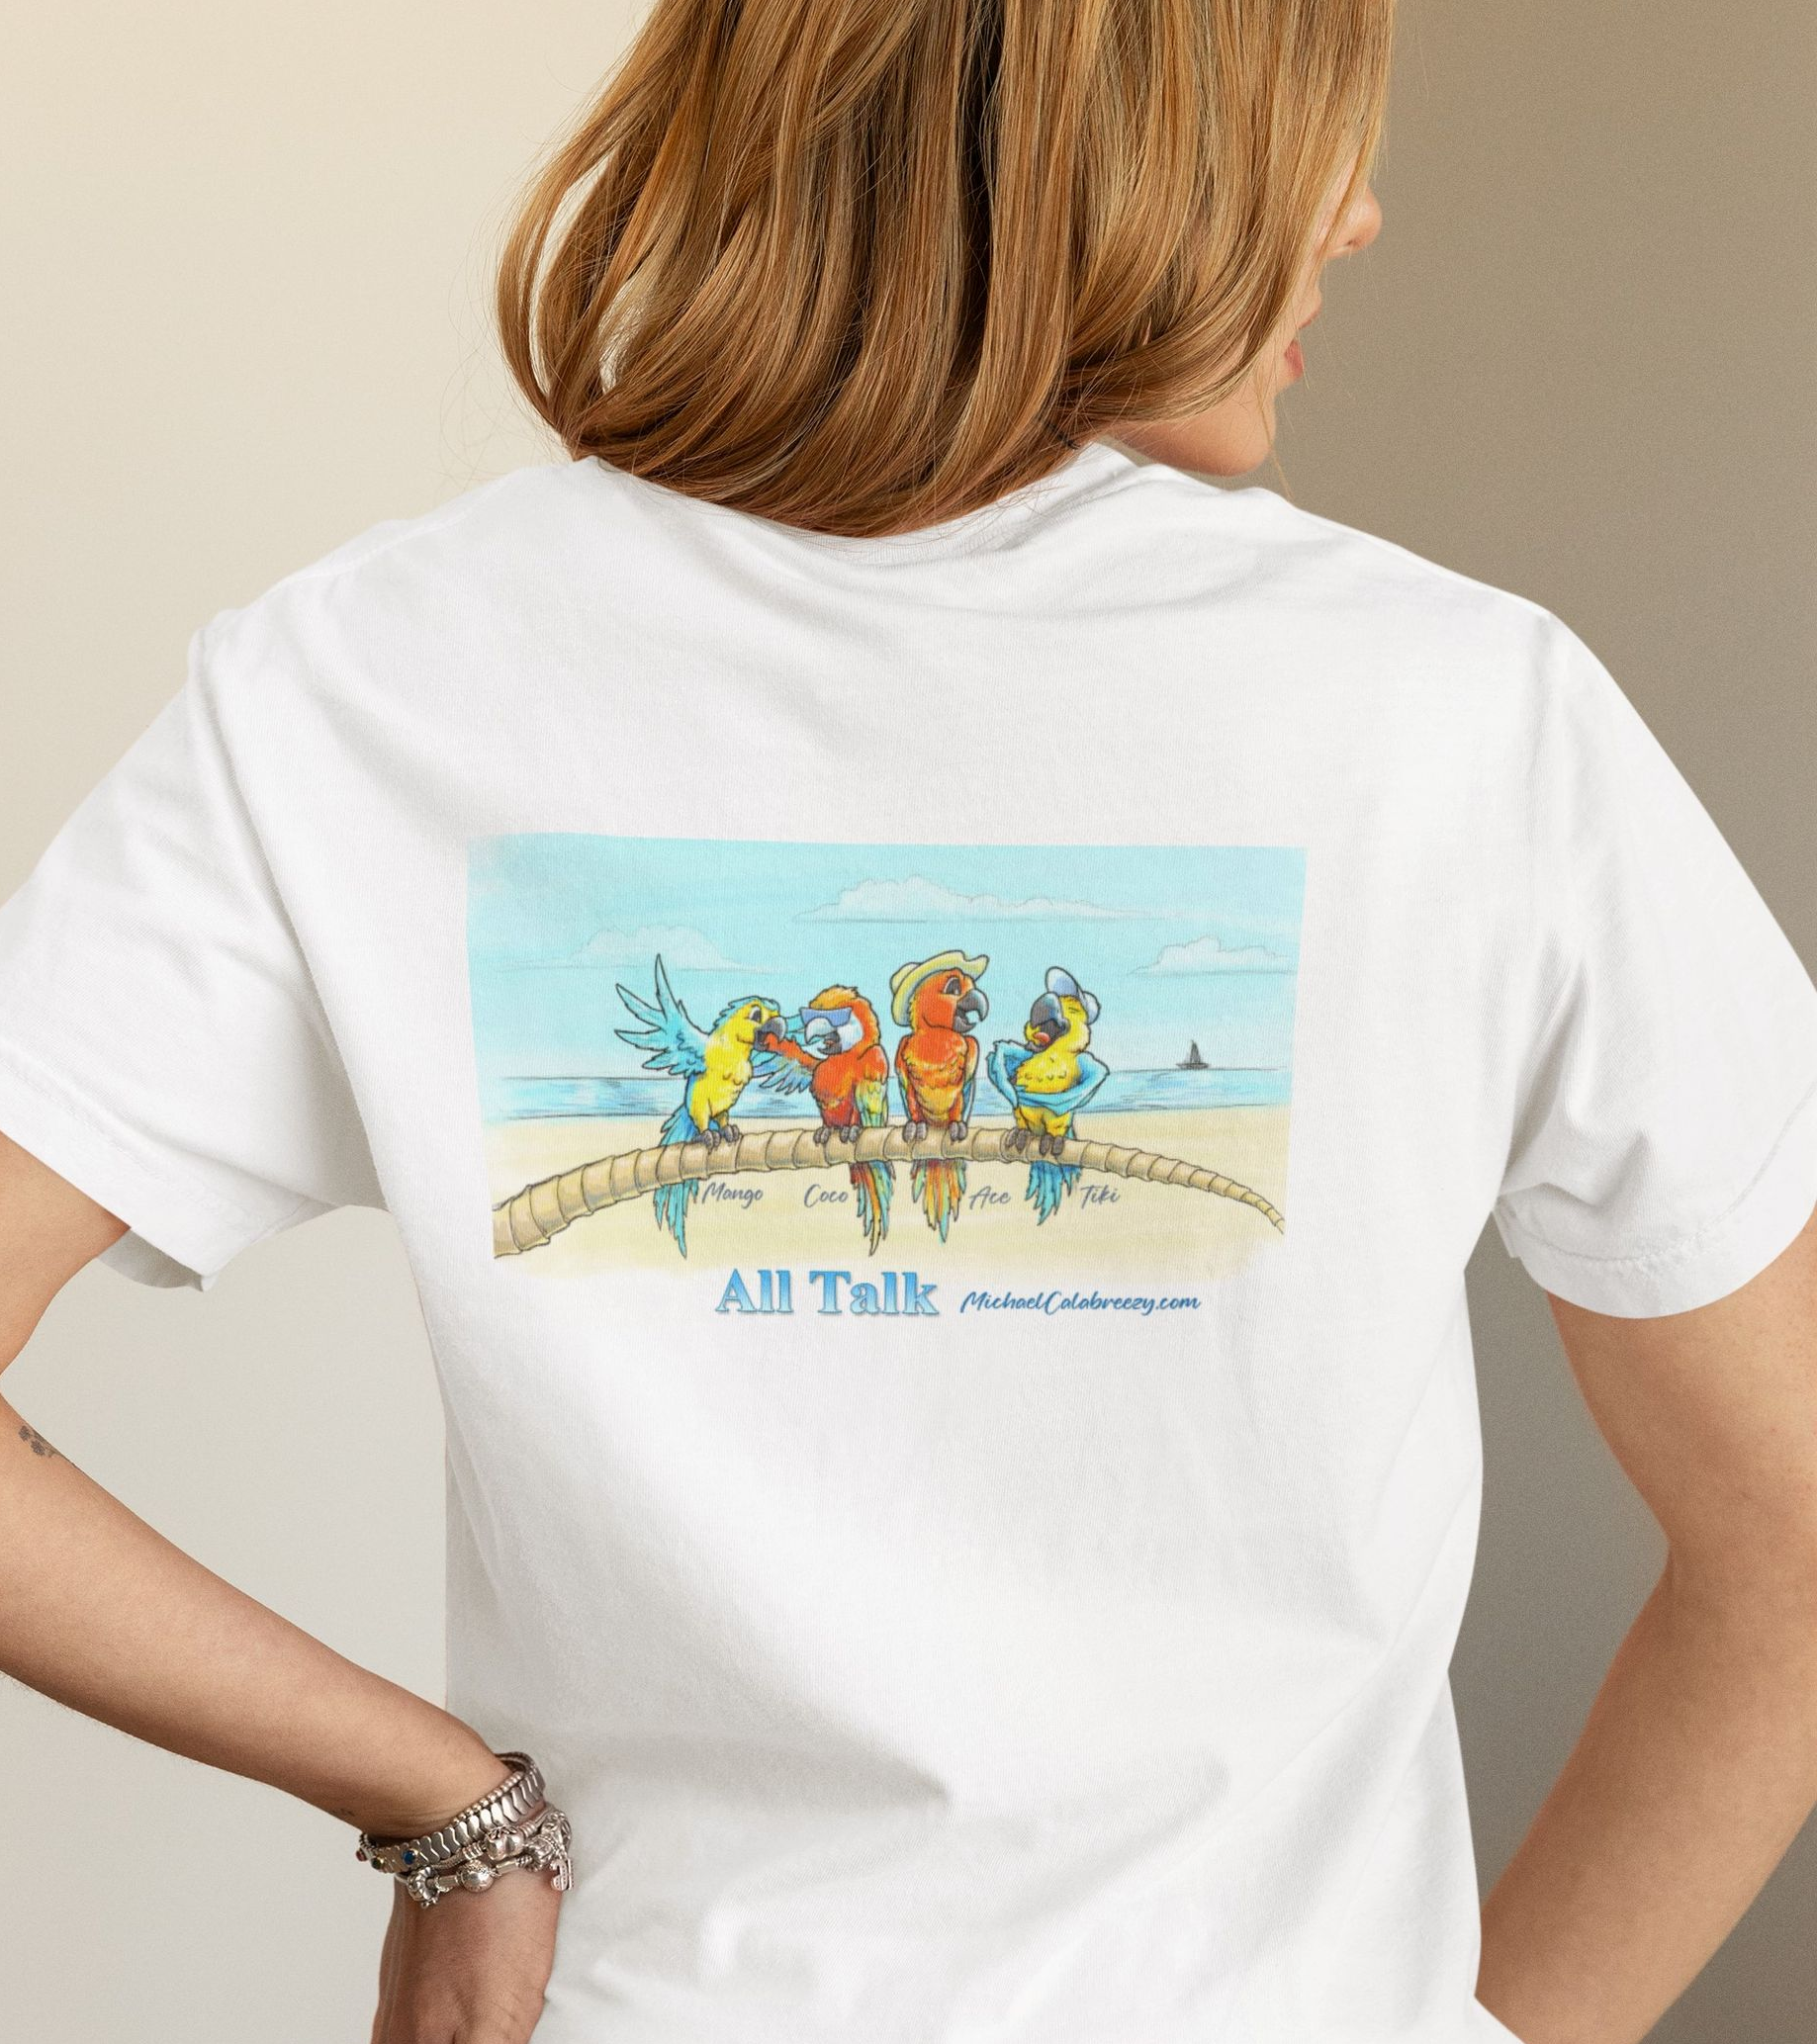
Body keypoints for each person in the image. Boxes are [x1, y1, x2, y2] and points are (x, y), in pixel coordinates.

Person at [2, 2, 1814, 2040]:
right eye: (1305, 133)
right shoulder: (1473, 716)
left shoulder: (368, 676)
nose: (1368, 213)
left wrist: (445, 1803)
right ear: (1115, 151)